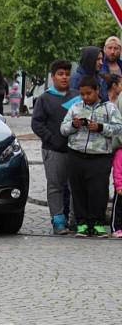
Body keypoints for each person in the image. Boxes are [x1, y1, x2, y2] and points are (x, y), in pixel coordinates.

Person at [60, 76, 122, 237]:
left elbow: (118, 128)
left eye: (88, 93)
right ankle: (82, 224)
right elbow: (63, 129)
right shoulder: (75, 107)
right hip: (76, 154)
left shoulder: (110, 108)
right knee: (78, 190)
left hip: (100, 156)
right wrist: (74, 125)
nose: (85, 97)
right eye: (82, 94)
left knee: (98, 191)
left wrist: (100, 127)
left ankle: (98, 223)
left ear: (97, 91)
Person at [31, 60, 79, 235]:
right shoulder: (45, 98)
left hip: (75, 150)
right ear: (53, 77)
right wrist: (51, 139)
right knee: (55, 186)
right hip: (53, 150)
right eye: (60, 74)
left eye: (67, 74)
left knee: (75, 186)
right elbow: (36, 123)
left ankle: (74, 220)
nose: (64, 77)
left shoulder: (77, 96)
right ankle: (58, 220)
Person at [112, 144, 122, 238]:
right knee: (118, 209)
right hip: (121, 187)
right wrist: (118, 185)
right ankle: (116, 228)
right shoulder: (120, 153)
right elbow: (117, 170)